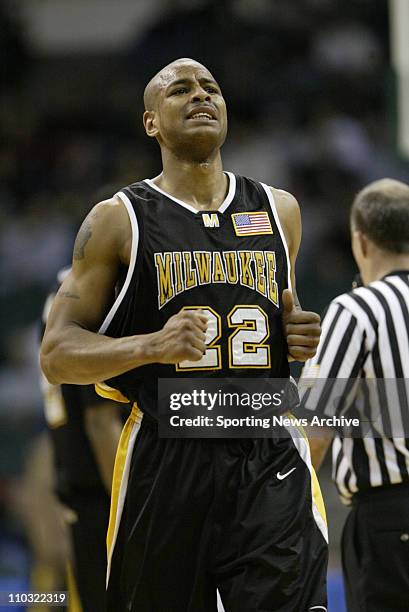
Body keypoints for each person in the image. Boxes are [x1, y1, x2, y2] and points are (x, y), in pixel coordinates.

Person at [41, 58, 328, 612]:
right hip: (166, 456)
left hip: (267, 450)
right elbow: (56, 353)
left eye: (211, 88)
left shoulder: (279, 210)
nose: (201, 96)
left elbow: (284, 317)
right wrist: (150, 345)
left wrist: (295, 335)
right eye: (181, 90)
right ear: (151, 122)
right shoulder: (116, 218)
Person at [300, 178, 409, 611]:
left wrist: (278, 514)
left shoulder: (357, 309)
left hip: (390, 519)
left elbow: (316, 427)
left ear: (360, 242)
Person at [40, 268, 124, 611]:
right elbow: (101, 421)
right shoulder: (97, 292)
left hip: (80, 496)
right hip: (109, 500)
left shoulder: (64, 288)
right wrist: (132, 516)